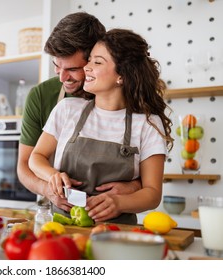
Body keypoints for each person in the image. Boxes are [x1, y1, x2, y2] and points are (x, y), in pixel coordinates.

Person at [28, 28, 174, 225]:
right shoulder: (67, 109)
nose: (86, 67)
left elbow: (153, 193)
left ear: (121, 76)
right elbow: (36, 158)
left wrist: (119, 203)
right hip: (61, 228)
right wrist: (52, 176)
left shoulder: (147, 123)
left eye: (97, 62)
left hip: (116, 233)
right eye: (89, 60)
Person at [17, 12, 142, 213]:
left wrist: (134, 187)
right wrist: (49, 190)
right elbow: (25, 165)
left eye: (74, 69)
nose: (62, 78)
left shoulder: (128, 99)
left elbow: (149, 175)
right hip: (58, 212)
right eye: (57, 66)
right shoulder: (42, 96)